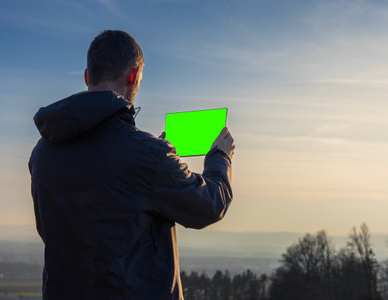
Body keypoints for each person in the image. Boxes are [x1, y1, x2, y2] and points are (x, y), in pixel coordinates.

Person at [29, 30, 235, 300]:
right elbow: (209, 206)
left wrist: (158, 161)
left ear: (87, 77)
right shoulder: (146, 156)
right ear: (134, 75)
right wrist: (220, 157)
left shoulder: (42, 152)